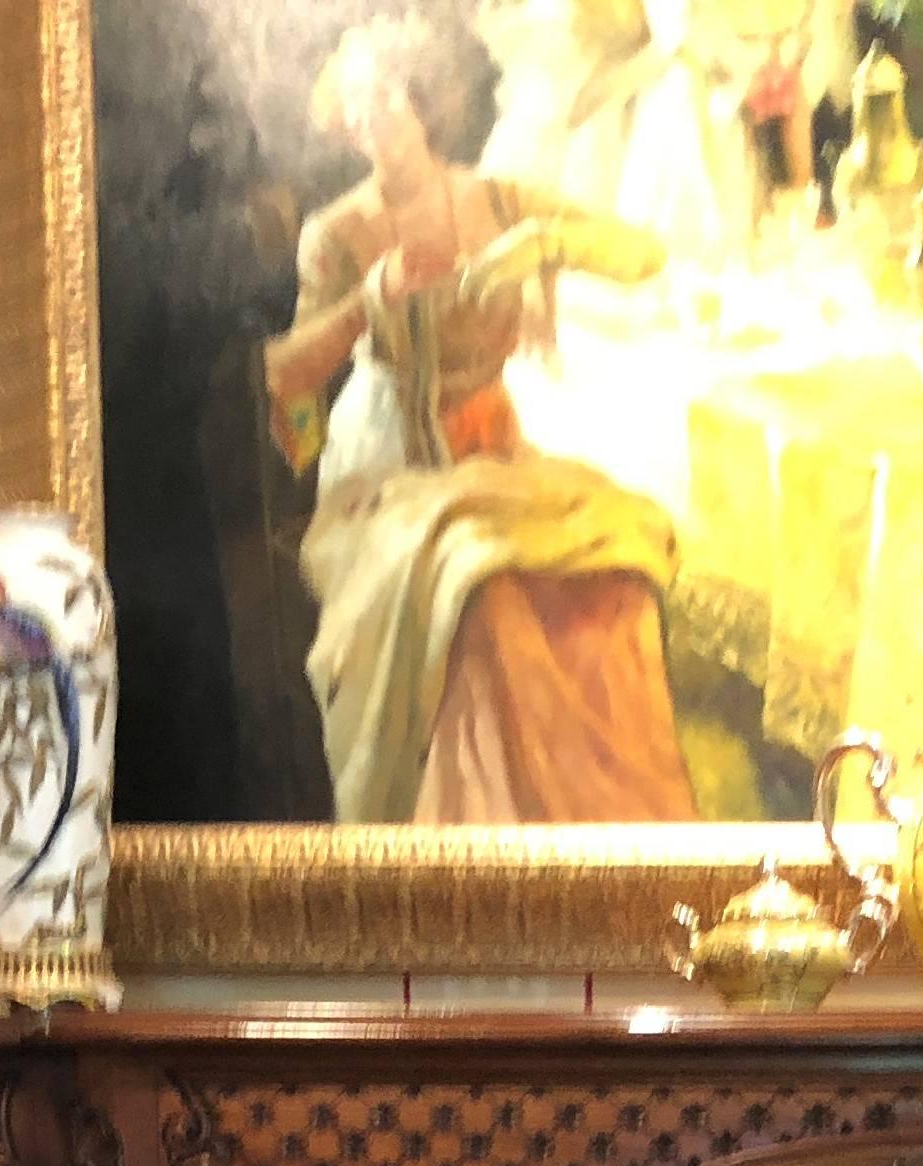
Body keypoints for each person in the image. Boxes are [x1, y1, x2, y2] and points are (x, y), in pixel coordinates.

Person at [264, 9, 702, 824]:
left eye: (387, 95)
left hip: (496, 458)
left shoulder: (498, 199)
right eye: (357, 105)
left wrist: (543, 247)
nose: (373, 117)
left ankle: (610, 841)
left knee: (613, 574)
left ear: (424, 101)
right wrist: (369, 300)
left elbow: (645, 255)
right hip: (387, 478)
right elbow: (286, 377)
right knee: (487, 592)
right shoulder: (338, 233)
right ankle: (479, 856)